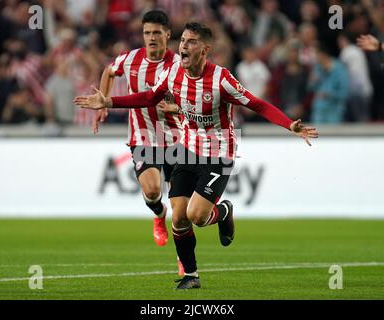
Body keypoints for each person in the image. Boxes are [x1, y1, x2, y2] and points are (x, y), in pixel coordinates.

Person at [75, 22, 318, 290]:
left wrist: (289, 125)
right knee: (178, 217)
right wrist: (109, 102)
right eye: (182, 41)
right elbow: (149, 97)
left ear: (205, 49)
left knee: (197, 216)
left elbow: (257, 103)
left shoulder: (221, 79)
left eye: (191, 42)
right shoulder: (173, 73)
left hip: (218, 155)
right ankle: (191, 275)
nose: (183, 46)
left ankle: (223, 212)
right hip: (188, 151)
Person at [91, 10, 184, 263]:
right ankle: (157, 214)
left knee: (181, 209)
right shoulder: (130, 59)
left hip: (177, 139)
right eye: (147, 33)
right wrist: (102, 104)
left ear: (167, 34)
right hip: (143, 137)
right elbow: (109, 72)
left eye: (156, 32)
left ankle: (183, 260)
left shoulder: (179, 65)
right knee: (153, 191)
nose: (151, 37)